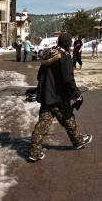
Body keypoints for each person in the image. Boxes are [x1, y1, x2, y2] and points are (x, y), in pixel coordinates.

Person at [29, 32, 92, 162]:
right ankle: (78, 141)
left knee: (42, 124)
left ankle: (34, 152)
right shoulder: (65, 56)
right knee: (68, 119)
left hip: (46, 95)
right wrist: (77, 95)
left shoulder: (49, 54)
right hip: (58, 96)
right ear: (69, 44)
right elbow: (68, 79)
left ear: (58, 42)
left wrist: (41, 90)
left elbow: (39, 75)